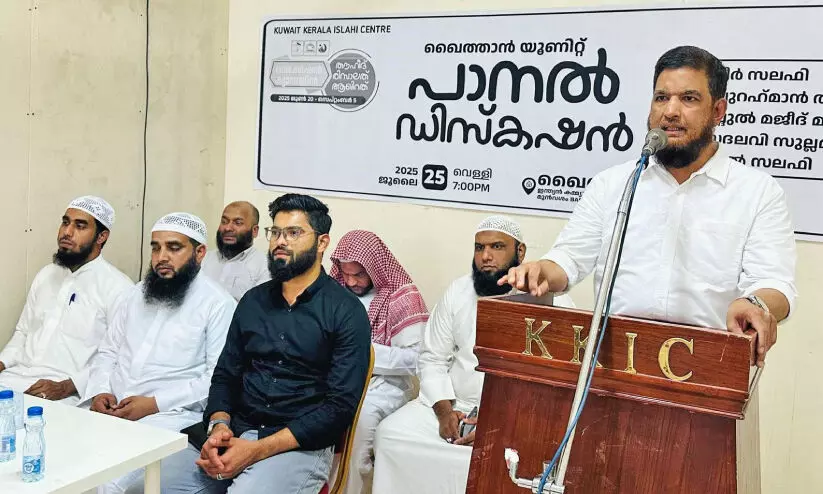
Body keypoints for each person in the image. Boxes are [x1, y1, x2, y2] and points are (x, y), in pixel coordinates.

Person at [501, 45, 797, 368]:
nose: (670, 111)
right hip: (614, 366)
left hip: (709, 368)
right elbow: (568, 259)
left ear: (718, 111)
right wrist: (541, 271)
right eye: (661, 98)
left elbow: (775, 284)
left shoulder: (757, 192)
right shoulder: (614, 184)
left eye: (688, 98)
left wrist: (755, 303)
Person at [160, 193, 372, 494]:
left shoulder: (346, 312)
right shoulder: (253, 301)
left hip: (296, 445)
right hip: (234, 433)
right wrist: (219, 425)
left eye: (294, 233)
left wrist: (256, 450)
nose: (280, 242)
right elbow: (225, 375)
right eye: (276, 232)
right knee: (147, 484)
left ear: (322, 243)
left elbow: (339, 408)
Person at [372, 215, 575, 494]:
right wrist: (444, 412)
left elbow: (558, 382)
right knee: (390, 435)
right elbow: (432, 357)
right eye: (480, 248)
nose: (486, 256)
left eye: (497, 247)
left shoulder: (551, 299)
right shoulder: (458, 291)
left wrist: (501, 424)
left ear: (520, 252)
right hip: (456, 406)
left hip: (517, 418)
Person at [86, 212, 237, 494]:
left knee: (108, 480)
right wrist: (100, 391)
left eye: (174, 247)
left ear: (200, 253)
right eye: (156, 248)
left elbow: (216, 379)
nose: (161, 257)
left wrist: (153, 404)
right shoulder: (134, 294)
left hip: (166, 418)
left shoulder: (218, 305)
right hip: (110, 408)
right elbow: (107, 352)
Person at [0, 196, 132, 405]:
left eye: (80, 226)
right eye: (65, 222)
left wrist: (67, 386)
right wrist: (2, 362)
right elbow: (23, 332)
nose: (66, 232)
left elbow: (117, 358)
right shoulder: (46, 275)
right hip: (14, 379)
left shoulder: (118, 288)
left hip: (66, 395)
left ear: (101, 237)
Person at [329, 230, 429, 494]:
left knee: (359, 427)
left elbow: (417, 360)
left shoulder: (402, 297)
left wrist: (362, 353)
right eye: (345, 273)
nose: (351, 281)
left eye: (359, 274)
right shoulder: (334, 292)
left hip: (383, 387)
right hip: (334, 380)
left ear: (374, 268)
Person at [201, 201, 270, 301]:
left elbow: (259, 306)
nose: (228, 228)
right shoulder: (204, 259)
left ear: (254, 231)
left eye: (238, 223)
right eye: (224, 221)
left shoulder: (265, 267)